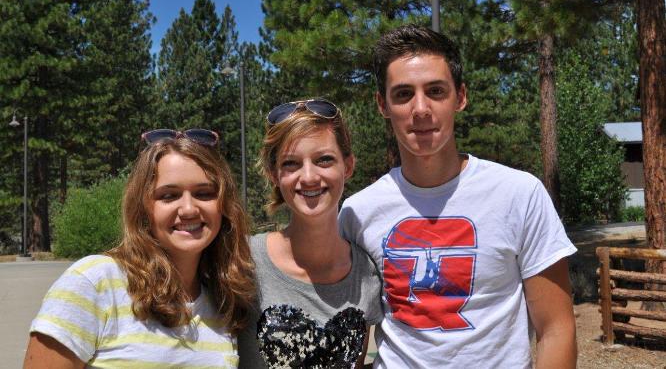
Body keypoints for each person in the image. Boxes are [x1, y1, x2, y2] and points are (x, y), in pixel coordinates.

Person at [339, 25, 578, 368]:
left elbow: (556, 329)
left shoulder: (520, 194)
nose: (421, 108)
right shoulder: (357, 213)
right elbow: (352, 343)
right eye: (403, 94)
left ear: (460, 97)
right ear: (382, 105)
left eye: (435, 91)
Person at [24, 129, 256, 368]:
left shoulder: (222, 305)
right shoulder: (95, 283)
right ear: (143, 207)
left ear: (224, 205)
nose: (188, 209)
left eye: (204, 193)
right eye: (169, 195)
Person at [238, 99, 383, 369]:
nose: (309, 177)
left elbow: (362, 363)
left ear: (348, 166)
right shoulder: (243, 262)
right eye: (291, 163)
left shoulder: (366, 274)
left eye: (324, 160)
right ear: (274, 174)